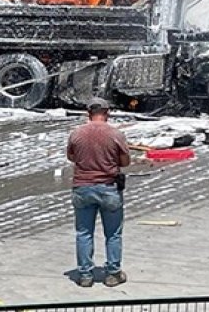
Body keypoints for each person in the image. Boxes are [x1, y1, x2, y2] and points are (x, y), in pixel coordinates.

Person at [66, 97, 131, 288]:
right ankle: (113, 274)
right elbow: (125, 162)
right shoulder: (115, 134)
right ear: (107, 113)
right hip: (109, 187)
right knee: (113, 234)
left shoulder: (76, 133)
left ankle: (85, 275)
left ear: (88, 113)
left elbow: (71, 156)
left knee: (84, 233)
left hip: (82, 187)